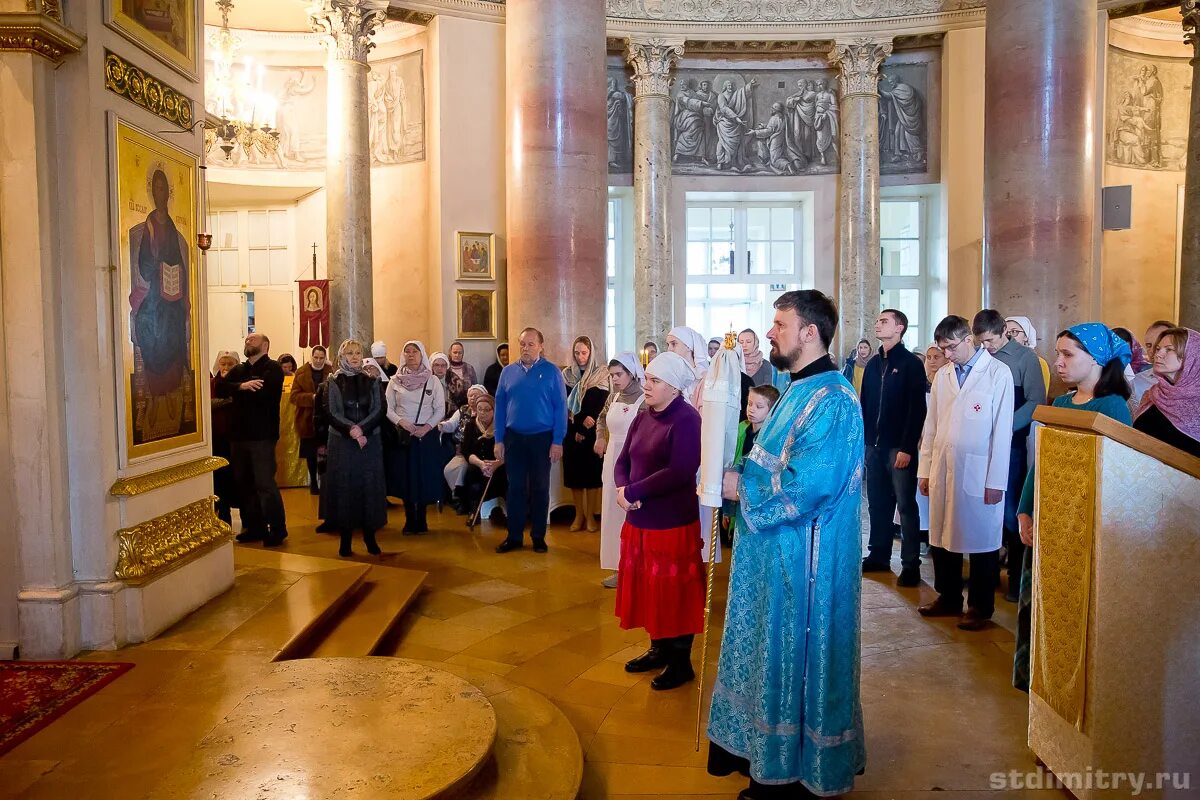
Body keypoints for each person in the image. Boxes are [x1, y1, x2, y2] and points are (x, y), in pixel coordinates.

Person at [707, 290, 866, 799]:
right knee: (767, 654)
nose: (770, 332)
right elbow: (767, 460)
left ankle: (796, 773)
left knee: (797, 656)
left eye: (779, 323)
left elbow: (812, 484)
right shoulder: (795, 389)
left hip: (807, 565)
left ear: (809, 332)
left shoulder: (835, 398)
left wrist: (742, 489)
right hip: (773, 556)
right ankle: (766, 752)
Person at [1012, 324, 1132, 692]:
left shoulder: (1112, 406)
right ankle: (1037, 677)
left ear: (1096, 358)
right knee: (1040, 603)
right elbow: (1042, 462)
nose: (1059, 362)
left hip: (1083, 523)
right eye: (1059, 353)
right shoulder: (1062, 404)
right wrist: (1025, 508)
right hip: (1050, 518)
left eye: (1068, 355)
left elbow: (1118, 469)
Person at [614, 351, 704, 692]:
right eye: (647, 379)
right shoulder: (644, 415)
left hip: (671, 523)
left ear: (674, 388)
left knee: (673, 592)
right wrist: (623, 487)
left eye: (654, 381)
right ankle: (658, 648)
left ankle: (681, 662)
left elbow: (680, 471)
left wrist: (635, 490)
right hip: (640, 517)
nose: (646, 385)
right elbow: (624, 457)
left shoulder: (687, 419)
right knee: (651, 588)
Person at [917, 315, 1014, 631]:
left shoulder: (998, 374)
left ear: (968, 339)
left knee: (981, 539)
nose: (947, 355)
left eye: (951, 347)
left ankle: (980, 607)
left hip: (979, 469)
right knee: (943, 533)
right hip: (943, 466)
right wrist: (925, 469)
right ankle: (948, 596)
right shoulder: (944, 375)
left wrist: (996, 479)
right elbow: (931, 426)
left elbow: (1002, 430)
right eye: (942, 348)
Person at [975, 309, 1046, 603]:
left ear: (1003, 331)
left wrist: (1004, 428)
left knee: (1009, 511)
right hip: (981, 443)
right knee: (985, 509)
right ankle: (987, 575)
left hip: (1011, 443)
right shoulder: (980, 358)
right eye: (982, 341)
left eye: (990, 340)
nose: (987, 347)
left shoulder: (1024, 358)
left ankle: (1017, 579)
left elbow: (1036, 401)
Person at [860, 310, 928, 587]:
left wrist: (908, 446)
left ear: (899, 327)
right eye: (876, 320)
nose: (878, 324)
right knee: (877, 503)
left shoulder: (910, 363)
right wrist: (865, 442)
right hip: (874, 446)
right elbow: (866, 404)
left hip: (898, 446)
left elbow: (917, 408)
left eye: (884, 321)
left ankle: (911, 564)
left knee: (905, 505)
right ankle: (879, 554)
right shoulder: (874, 364)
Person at [494, 328, 568, 554]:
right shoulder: (507, 372)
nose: (526, 348)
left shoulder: (552, 372)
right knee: (515, 488)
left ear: (541, 346)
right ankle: (514, 536)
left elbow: (561, 408)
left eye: (531, 344)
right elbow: (499, 407)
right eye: (522, 344)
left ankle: (538, 537)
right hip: (514, 438)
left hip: (542, 439)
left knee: (540, 487)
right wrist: (499, 439)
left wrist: (557, 440)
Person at [216, 332, 288, 547]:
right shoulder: (240, 369)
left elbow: (264, 394)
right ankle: (254, 526)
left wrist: (239, 390)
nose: (248, 341)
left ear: (265, 345)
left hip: (261, 436)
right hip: (238, 436)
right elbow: (220, 387)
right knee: (244, 483)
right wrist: (242, 386)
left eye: (253, 339)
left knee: (265, 484)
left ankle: (277, 528)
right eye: (247, 339)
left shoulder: (273, 368)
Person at [325, 340, 388, 557]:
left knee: (369, 489)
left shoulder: (371, 380)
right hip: (343, 444)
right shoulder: (334, 381)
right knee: (345, 490)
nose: (354, 357)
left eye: (358, 353)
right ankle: (345, 541)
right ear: (342, 356)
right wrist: (351, 430)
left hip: (368, 442)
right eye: (350, 353)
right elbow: (331, 412)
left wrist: (362, 430)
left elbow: (380, 409)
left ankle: (370, 537)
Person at [595, 353, 646, 589]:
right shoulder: (613, 396)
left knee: (632, 516)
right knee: (612, 514)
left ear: (632, 372)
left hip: (634, 459)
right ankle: (618, 567)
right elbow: (602, 417)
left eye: (619, 375)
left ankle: (637, 568)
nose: (614, 379)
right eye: (612, 375)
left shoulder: (644, 398)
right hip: (612, 457)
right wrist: (599, 438)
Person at [385, 340, 446, 534]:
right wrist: (402, 423)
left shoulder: (432, 380)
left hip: (425, 436)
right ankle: (409, 518)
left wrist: (427, 427)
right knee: (405, 477)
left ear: (422, 355)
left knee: (424, 476)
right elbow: (387, 407)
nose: (411, 355)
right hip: (404, 435)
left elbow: (440, 408)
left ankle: (422, 518)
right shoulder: (395, 380)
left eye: (415, 352)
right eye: (407, 351)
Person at [720, 384, 781, 547]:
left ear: (772, 409)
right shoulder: (741, 428)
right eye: (749, 404)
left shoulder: (771, 437)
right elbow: (734, 461)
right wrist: (727, 510)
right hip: (736, 488)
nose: (752, 409)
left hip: (755, 491)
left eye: (759, 406)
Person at [562, 335, 609, 532]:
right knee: (575, 475)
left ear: (591, 353)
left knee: (590, 476)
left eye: (584, 353)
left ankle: (590, 516)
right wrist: (576, 428)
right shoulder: (567, 375)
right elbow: (562, 403)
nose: (580, 357)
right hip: (571, 431)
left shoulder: (601, 374)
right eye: (577, 353)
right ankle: (578, 514)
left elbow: (603, 403)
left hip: (592, 431)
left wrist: (587, 425)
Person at [1134, 327, 1200, 457]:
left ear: (1191, 355)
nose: (1157, 354)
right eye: (1158, 349)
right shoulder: (1152, 395)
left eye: (1169, 349)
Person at [291, 346, 332, 495]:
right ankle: (313, 483)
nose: (319, 361)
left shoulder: (331, 371)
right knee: (310, 452)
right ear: (312, 356)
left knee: (326, 450)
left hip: (326, 418)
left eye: (322, 358)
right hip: (307, 419)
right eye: (316, 357)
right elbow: (294, 397)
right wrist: (312, 398)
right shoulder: (301, 372)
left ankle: (325, 481)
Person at [442, 384, 488, 511]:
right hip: (461, 449)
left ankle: (462, 499)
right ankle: (457, 494)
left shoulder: (487, 411)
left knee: (464, 469)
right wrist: (441, 425)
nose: (473, 398)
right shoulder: (463, 410)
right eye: (470, 395)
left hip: (477, 451)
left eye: (476, 395)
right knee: (449, 469)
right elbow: (451, 424)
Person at [462, 394, 507, 524]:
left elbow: (510, 451)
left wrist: (496, 464)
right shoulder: (471, 425)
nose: (482, 413)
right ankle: (473, 510)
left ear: (494, 410)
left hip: (499, 464)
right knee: (471, 473)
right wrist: (481, 464)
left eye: (487, 410)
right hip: (479, 464)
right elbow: (466, 451)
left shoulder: (502, 426)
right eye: (480, 409)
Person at [210, 350, 240, 525]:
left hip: (236, 437)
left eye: (230, 364)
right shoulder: (213, 383)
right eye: (223, 364)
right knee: (219, 477)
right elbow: (208, 402)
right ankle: (222, 511)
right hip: (218, 437)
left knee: (234, 477)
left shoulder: (240, 383)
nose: (226, 368)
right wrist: (229, 400)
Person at [275, 354, 308, 489]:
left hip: (294, 417)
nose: (287, 369)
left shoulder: (297, 378)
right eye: (284, 367)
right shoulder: (275, 379)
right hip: (280, 418)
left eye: (289, 367)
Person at [666, 326, 711, 409]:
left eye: (674, 344)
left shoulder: (704, 378)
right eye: (668, 345)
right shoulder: (670, 375)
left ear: (688, 346)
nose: (669, 349)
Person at [1004, 316, 1051, 390]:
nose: (1008, 336)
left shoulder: (1038, 363)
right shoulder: (997, 361)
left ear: (1026, 336)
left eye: (1014, 332)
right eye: (1005, 333)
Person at [446, 341, 478, 409]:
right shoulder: (446, 369)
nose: (457, 355)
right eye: (455, 352)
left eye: (460, 353)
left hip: (467, 407)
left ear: (463, 354)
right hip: (449, 407)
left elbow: (475, 387)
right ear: (450, 353)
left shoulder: (469, 368)